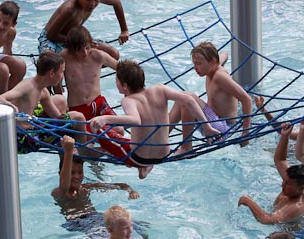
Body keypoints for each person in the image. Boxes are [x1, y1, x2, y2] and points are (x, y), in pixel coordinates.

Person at [89, 59, 220, 179]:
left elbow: (135, 120)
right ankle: (144, 169)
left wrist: (105, 119)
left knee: (95, 128)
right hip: (164, 154)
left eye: (116, 81)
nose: (116, 83)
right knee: (131, 140)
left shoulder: (129, 100)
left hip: (139, 158)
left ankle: (140, 165)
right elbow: (189, 100)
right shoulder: (160, 89)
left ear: (125, 86)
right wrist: (207, 127)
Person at [0, 51, 87, 153]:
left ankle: (65, 147)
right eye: (61, 72)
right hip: (23, 140)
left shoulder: (43, 91)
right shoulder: (27, 86)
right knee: (78, 117)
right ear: (51, 73)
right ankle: (81, 153)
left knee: (59, 100)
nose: (62, 76)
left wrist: (69, 128)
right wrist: (12, 107)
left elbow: (57, 116)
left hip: (32, 125)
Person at [169, 41, 253, 154]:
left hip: (223, 130)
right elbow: (225, 54)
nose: (195, 67)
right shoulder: (213, 66)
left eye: (199, 63)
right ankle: (161, 136)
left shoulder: (220, 77)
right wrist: (219, 58)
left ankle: (186, 147)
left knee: (187, 98)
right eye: (194, 63)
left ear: (212, 62)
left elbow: (247, 99)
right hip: (211, 122)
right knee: (182, 99)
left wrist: (245, 133)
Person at [39, 0, 129, 61]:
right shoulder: (69, 9)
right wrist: (80, 42)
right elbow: (51, 35)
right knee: (49, 60)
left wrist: (124, 30)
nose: (93, 4)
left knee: (113, 54)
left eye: (97, 0)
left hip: (75, 37)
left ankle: (85, 68)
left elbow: (116, 2)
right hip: (52, 39)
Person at [51, 135, 139, 222]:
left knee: (131, 223)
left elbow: (121, 185)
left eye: (80, 172)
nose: (77, 177)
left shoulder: (85, 188)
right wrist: (68, 152)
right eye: (72, 173)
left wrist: (131, 191)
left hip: (95, 218)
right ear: (60, 174)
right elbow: (64, 183)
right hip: (77, 223)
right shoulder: (59, 192)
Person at [238, 123, 304, 224]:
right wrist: (284, 136)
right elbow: (280, 160)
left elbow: (267, 220)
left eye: (288, 184)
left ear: (301, 188)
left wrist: (248, 201)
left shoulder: (295, 206)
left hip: (289, 232)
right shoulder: (292, 184)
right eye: (284, 181)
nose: (283, 185)